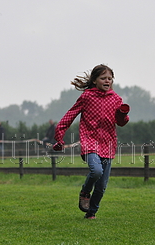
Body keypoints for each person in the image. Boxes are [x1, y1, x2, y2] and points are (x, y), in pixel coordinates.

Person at [53, 64, 130, 219]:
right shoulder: (87, 97)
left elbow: (121, 122)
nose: (107, 80)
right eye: (103, 78)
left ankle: (91, 212)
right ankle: (85, 192)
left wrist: (123, 114)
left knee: (101, 186)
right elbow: (71, 114)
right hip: (90, 141)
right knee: (96, 171)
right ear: (95, 80)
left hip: (108, 143)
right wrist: (59, 135)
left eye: (109, 78)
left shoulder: (116, 99)